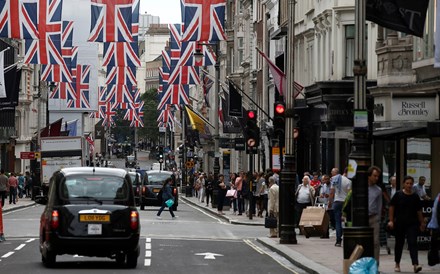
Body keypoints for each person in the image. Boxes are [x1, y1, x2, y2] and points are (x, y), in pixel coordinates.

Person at [388, 175, 425, 273]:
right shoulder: (398, 195)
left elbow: (419, 211)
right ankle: (397, 263)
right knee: (399, 243)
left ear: (413, 185)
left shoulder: (415, 197)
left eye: (411, 184)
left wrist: (422, 223)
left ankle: (415, 264)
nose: (409, 185)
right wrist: (391, 220)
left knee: (413, 242)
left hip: (412, 224)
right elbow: (391, 207)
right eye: (407, 183)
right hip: (400, 223)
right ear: (404, 184)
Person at [328, 167, 351, 247]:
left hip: (337, 202)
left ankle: (338, 241)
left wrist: (330, 202)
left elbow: (331, 192)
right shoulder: (349, 181)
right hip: (345, 203)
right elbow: (349, 194)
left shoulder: (335, 179)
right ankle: (347, 239)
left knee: (338, 222)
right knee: (346, 221)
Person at [368, 166, 383, 265]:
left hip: (373, 217)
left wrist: (378, 218)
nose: (376, 178)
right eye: (374, 176)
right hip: (362, 218)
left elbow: (379, 205)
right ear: (369, 176)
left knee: (375, 242)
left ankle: (375, 265)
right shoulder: (360, 187)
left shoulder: (378, 190)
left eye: (378, 176)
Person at [427, 193, 440, 266]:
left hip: (436, 225)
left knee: (434, 245)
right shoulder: (438, 196)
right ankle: (433, 259)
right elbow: (435, 212)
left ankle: (434, 259)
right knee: (434, 245)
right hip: (436, 225)